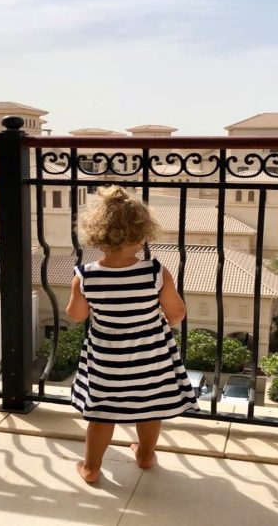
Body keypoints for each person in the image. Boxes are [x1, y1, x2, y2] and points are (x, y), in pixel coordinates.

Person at [65, 185, 198, 483]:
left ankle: (91, 468)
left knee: (102, 412)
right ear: (142, 234)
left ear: (96, 234)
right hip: (151, 354)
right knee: (150, 407)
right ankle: (145, 455)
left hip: (106, 356)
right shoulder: (154, 271)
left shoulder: (84, 275)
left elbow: (76, 316)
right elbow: (176, 313)